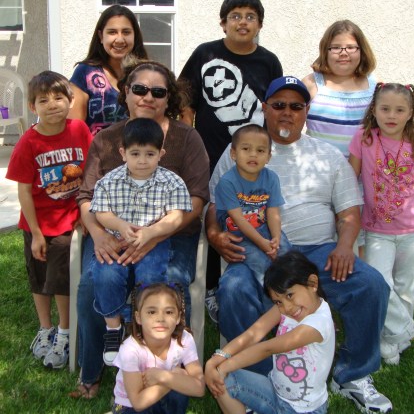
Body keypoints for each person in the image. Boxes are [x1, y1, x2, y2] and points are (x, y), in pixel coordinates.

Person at [207, 76, 393, 413]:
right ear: (265, 108)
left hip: (320, 249)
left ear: (307, 111)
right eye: (278, 105)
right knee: (233, 288)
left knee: (370, 285)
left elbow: (350, 210)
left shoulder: (327, 155)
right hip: (258, 248)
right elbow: (214, 203)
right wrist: (214, 233)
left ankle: (354, 374)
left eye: (296, 106)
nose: (287, 112)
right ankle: (262, 375)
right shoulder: (243, 146)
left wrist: (345, 246)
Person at [69, 59, 209, 399]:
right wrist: (100, 233)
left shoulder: (187, 138)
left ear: (169, 98)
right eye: (139, 89)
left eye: (158, 91)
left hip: (171, 234)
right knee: (91, 282)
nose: (148, 97)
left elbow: (196, 199)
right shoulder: (106, 139)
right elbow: (88, 197)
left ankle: (171, 370)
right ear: (126, 93)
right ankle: (93, 367)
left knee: (168, 280)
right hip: (110, 230)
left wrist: (155, 234)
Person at [179, 0, 283, 322]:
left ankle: (253, 282)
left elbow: (273, 107)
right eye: (235, 16)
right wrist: (189, 139)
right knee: (212, 216)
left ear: (260, 25)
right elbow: (186, 100)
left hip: (251, 160)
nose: (242, 22)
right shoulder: (205, 54)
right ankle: (211, 288)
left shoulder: (268, 61)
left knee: (247, 214)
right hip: (208, 154)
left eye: (250, 16)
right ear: (223, 23)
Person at [348, 82, 414, 365]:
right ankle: (404, 330)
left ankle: (390, 341)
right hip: (377, 230)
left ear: (410, 113)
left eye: (399, 110)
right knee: (379, 283)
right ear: (373, 110)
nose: (391, 115)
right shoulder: (363, 140)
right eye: (385, 108)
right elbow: (350, 180)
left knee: (405, 287)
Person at [6, 71, 92, 369]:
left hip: (68, 221)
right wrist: (36, 233)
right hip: (37, 224)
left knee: (60, 279)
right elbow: (25, 191)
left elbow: (91, 172)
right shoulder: (29, 142)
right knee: (38, 277)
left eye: (59, 97)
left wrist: (84, 212)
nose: (52, 104)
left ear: (71, 101)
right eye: (43, 100)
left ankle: (66, 331)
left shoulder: (80, 130)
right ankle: (45, 329)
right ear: (33, 107)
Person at [90, 118, 192, 365]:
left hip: (153, 242)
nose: (142, 160)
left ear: (161, 154)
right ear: (123, 153)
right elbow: (100, 212)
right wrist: (119, 225)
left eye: (150, 154)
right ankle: (114, 329)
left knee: (151, 278)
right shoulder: (109, 181)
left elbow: (177, 216)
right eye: (135, 153)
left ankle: (146, 331)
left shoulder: (171, 181)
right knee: (105, 275)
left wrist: (151, 232)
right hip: (117, 241)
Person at [205, 251, 334, 414]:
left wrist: (222, 368)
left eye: (290, 295)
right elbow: (253, 333)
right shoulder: (288, 308)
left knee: (221, 374)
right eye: (278, 301)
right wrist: (216, 360)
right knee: (223, 381)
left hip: (302, 410)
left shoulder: (318, 323)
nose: (286, 307)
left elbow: (266, 349)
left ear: (312, 283)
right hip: (275, 391)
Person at [215, 124, 290, 286]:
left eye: (261, 150)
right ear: (233, 153)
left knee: (287, 255)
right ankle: (270, 306)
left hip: (264, 227)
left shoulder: (271, 178)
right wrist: (263, 243)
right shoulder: (227, 182)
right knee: (262, 265)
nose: (253, 155)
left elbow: (273, 212)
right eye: (246, 149)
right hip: (237, 232)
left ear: (269, 157)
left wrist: (276, 237)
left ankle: (291, 297)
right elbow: (239, 220)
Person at [111, 283, 204, 413]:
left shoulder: (184, 339)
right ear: (138, 317)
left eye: (169, 312)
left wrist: (162, 376)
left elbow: (199, 388)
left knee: (179, 393)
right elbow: (138, 403)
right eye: (151, 312)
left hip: (159, 397)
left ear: (178, 317)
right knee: (180, 384)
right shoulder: (130, 349)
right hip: (129, 406)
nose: (160, 318)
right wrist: (171, 378)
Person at [302, 19, 377, 158]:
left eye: (351, 47)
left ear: (362, 50)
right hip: (318, 173)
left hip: (361, 177)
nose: (343, 53)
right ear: (325, 50)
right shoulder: (311, 84)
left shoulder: (374, 88)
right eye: (336, 47)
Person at [69, 4, 148, 135]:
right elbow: (74, 130)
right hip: (96, 154)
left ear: (135, 35)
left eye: (126, 32)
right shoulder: (85, 73)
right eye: (112, 32)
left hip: (138, 153)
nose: (119, 39)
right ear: (101, 36)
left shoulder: (146, 74)